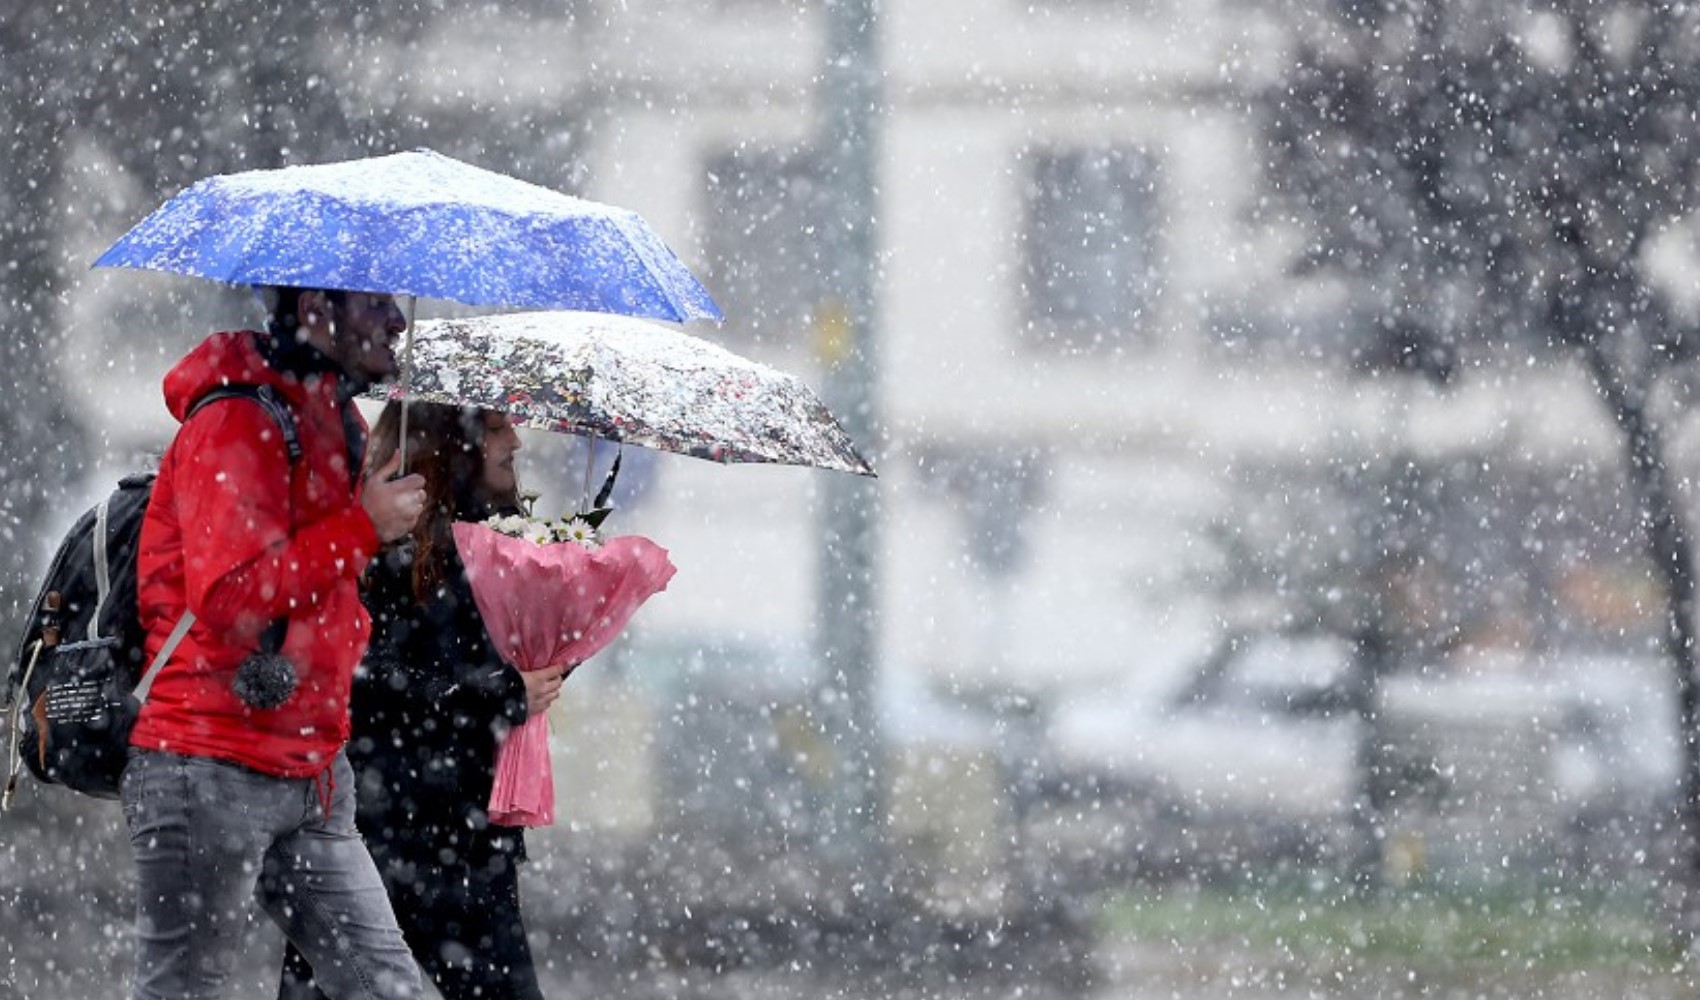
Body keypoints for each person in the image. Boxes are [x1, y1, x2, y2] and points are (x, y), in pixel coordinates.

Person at [126, 286, 430, 1000]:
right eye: (372, 302)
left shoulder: (336, 417)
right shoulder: (235, 418)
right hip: (208, 761)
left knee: (386, 986)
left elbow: (323, 585)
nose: (396, 319)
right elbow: (229, 597)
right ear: (316, 309)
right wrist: (362, 528)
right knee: (184, 989)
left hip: (314, 769)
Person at [278, 401, 566, 1000]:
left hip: (467, 832)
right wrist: (499, 695)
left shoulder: (501, 542)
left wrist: (551, 658)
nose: (514, 440)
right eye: (494, 429)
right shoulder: (383, 546)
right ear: (450, 444)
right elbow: (366, 680)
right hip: (379, 829)